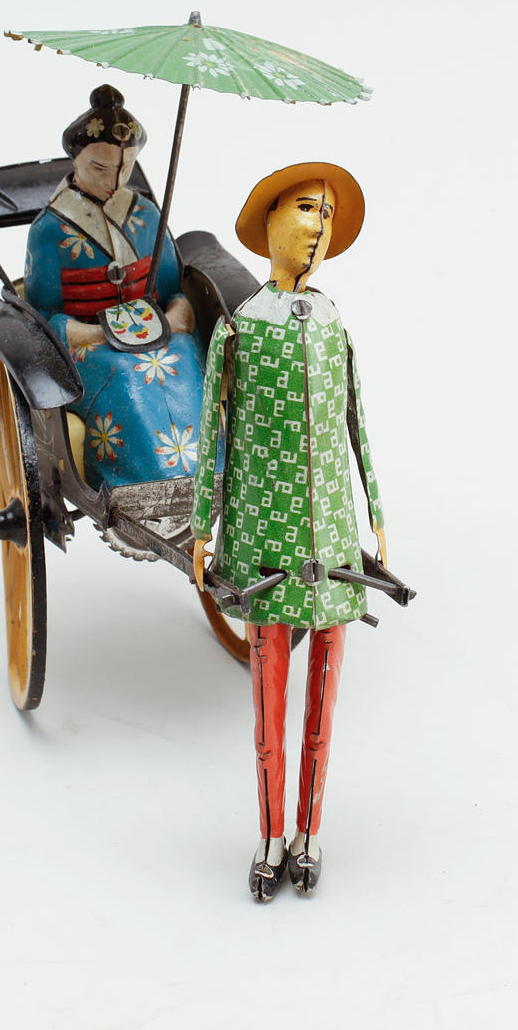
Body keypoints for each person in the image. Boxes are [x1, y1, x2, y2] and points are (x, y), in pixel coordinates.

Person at [191, 162, 387, 901]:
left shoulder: (333, 323)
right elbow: (213, 429)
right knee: (269, 702)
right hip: (261, 536)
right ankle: (271, 838)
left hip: (330, 537)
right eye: (306, 208)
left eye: (327, 215)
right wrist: (203, 525)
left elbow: (355, 420)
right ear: (269, 220)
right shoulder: (241, 329)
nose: (318, 228)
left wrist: (375, 514)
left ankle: (309, 834)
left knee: (323, 698)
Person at [23, 85, 204, 489]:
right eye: (99, 168)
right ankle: (133, 486)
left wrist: (177, 314)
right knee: (125, 375)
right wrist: (88, 334)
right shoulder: (50, 229)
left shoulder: (146, 214)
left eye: (125, 168)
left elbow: (172, 288)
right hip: (89, 344)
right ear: (75, 160)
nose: (114, 180)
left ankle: (207, 474)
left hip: (160, 332)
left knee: (184, 361)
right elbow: (42, 314)